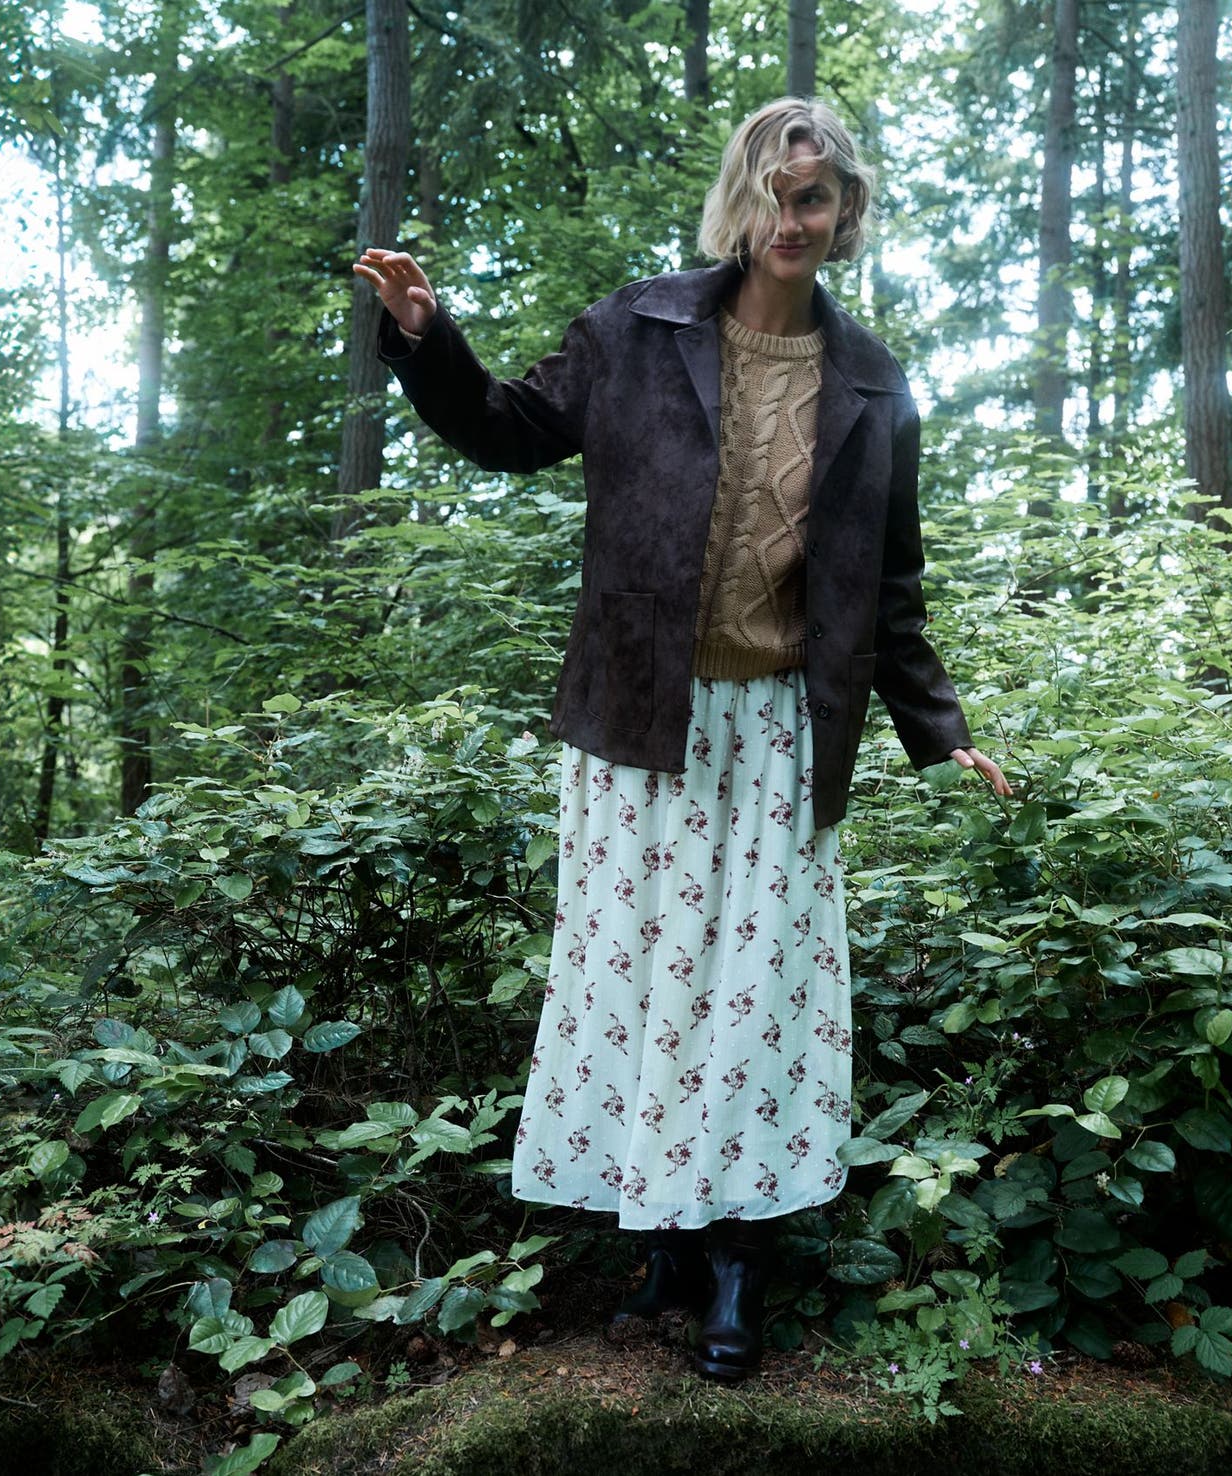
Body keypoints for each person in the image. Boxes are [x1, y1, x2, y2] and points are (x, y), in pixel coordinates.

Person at [351, 96, 1011, 1384]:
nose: (788, 218)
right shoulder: (635, 328)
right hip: (638, 718)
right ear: (735, 202)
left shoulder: (875, 386)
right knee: (636, 981)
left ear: (845, 215)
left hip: (779, 730)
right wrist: (425, 340)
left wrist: (942, 734)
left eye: (812, 198)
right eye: (769, 193)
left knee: (753, 997)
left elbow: (892, 592)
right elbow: (506, 432)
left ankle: (733, 1265)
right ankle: (655, 1232)